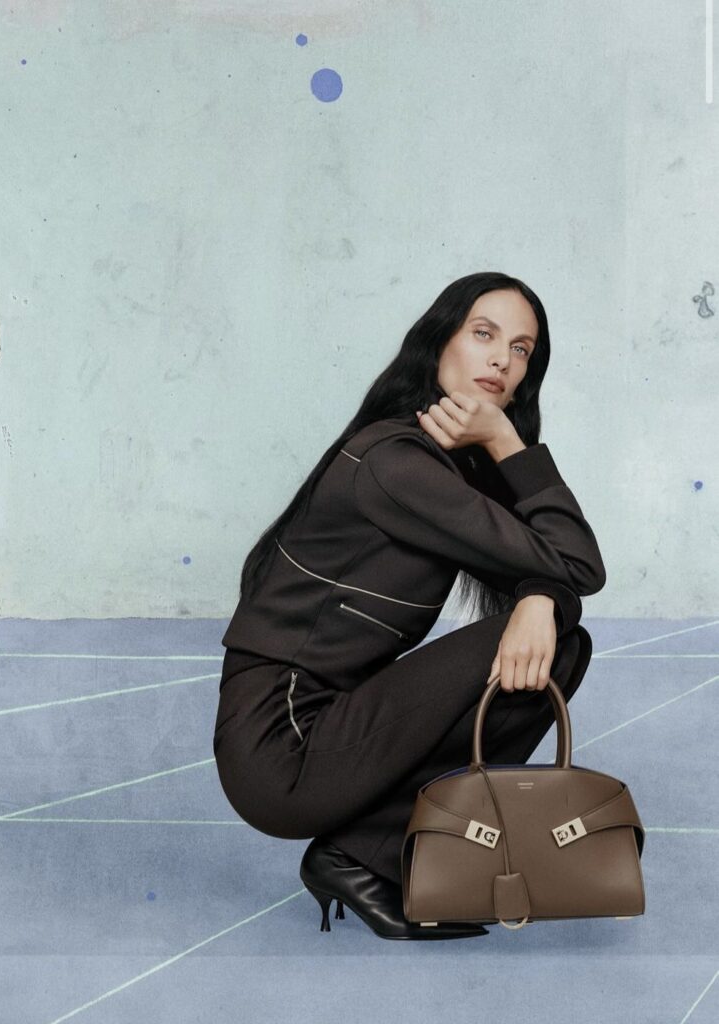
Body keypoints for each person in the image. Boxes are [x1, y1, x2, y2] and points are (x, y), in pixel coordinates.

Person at [213, 271, 605, 941]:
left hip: (327, 722)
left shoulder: (438, 467)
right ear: (438, 343)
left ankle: (360, 855)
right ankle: (358, 856)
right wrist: (509, 445)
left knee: (554, 641)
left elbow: (555, 569)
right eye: (482, 334)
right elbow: (577, 565)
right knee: (557, 638)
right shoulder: (395, 464)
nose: (500, 360)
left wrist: (536, 594)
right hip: (284, 747)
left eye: (520, 349)